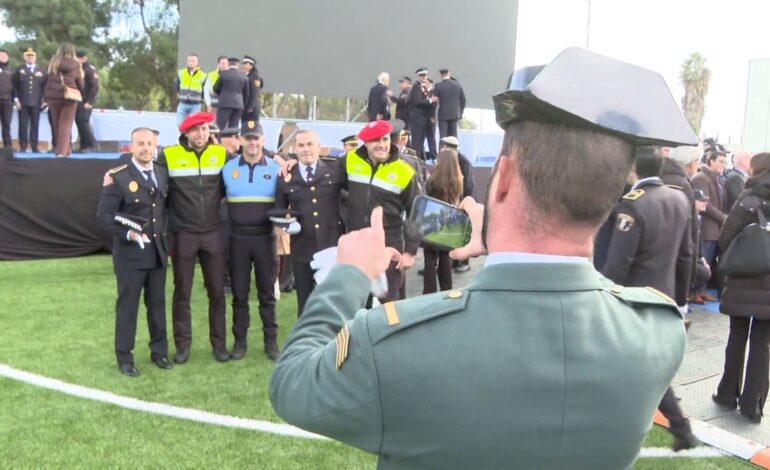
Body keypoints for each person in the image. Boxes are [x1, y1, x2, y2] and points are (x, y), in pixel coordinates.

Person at [270, 47, 695, 469]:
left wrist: (348, 275)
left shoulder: (396, 344)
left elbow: (292, 384)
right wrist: (508, 238)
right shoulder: (658, 330)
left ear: (503, 178)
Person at [600, 146, 698, 451]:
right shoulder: (678, 197)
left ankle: (677, 427)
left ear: (633, 169)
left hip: (633, 298)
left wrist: (604, 294)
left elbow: (618, 263)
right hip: (664, 295)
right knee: (646, 366)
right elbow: (687, 254)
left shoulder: (632, 204)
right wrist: (680, 299)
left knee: (626, 364)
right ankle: (680, 427)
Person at [96, 127, 171, 377]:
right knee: (128, 307)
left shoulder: (162, 171)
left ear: (156, 146)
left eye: (150, 143)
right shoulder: (117, 177)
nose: (146, 148)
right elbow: (104, 217)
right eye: (140, 143)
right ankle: (124, 357)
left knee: (158, 305)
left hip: (158, 252)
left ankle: (159, 351)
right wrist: (129, 234)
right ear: (130, 147)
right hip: (130, 256)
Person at [159, 111, 229, 363]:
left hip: (213, 232)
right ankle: (182, 346)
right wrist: (115, 173)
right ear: (186, 132)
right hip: (183, 234)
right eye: (196, 129)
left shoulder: (221, 153)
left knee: (217, 292)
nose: (202, 134)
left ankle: (219, 345)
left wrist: (283, 160)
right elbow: (143, 170)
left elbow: (248, 163)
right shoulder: (169, 155)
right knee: (182, 293)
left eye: (205, 129)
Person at [714, 152, 770, 424]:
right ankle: (754, 404)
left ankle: (727, 394)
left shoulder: (746, 201)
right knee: (762, 343)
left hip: (742, 279)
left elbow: (725, 238)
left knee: (737, 335)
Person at [221, 123, 282, 360]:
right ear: (241, 141)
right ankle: (240, 343)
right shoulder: (228, 169)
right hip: (237, 239)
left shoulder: (277, 168)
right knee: (239, 294)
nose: (253, 143)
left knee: (267, 293)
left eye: (256, 138)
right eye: (248, 138)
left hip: (265, 238)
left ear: (263, 140)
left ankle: (271, 343)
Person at [343, 119, 422, 301]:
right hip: (358, 245)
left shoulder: (405, 171)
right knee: (356, 306)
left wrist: (410, 252)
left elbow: (417, 212)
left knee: (390, 308)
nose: (382, 145)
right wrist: (288, 163)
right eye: (376, 140)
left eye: (385, 140)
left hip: (390, 247)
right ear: (366, 143)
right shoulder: (350, 160)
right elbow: (324, 172)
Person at [274, 129, 345, 317]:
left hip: (331, 246)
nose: (306, 149)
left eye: (310, 144)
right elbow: (279, 210)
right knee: (304, 304)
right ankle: (305, 344)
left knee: (333, 303)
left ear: (319, 146)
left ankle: (336, 343)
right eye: (301, 145)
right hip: (303, 249)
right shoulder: (286, 175)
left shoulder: (335, 168)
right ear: (294, 148)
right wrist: (287, 222)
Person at [422, 148, 464, 294]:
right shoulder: (458, 179)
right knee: (445, 257)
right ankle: (447, 289)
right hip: (449, 223)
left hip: (432, 221)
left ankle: (429, 292)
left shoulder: (432, 179)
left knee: (430, 258)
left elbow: (426, 197)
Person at [691, 150, 727, 296]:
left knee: (709, 261)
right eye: (720, 161)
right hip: (705, 227)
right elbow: (706, 205)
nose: (723, 165)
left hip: (714, 229)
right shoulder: (701, 177)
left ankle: (702, 291)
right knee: (703, 260)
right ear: (710, 161)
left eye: (725, 162)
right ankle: (695, 293)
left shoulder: (717, 179)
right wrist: (724, 218)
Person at [439, 136, 475, 273]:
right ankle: (452, 261)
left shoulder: (464, 162)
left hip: (462, 202)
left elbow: (469, 185)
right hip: (450, 202)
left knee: (461, 234)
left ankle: (463, 261)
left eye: (445, 146)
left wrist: (466, 205)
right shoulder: (445, 159)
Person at [43, 42, 84, 157]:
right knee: (65, 124)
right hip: (69, 96)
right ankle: (62, 152)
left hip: (52, 96)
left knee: (56, 123)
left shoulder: (52, 63)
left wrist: (45, 96)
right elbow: (81, 83)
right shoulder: (76, 64)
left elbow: (44, 80)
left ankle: (65, 149)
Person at [12, 47, 46, 153]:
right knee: (23, 125)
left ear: (36, 57)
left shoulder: (41, 70)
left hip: (36, 102)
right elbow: (15, 86)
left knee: (35, 125)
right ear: (24, 57)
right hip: (23, 102)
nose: (30, 57)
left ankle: (34, 146)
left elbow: (44, 87)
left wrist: (44, 100)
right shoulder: (19, 69)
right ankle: (23, 146)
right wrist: (16, 99)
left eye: (32, 56)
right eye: (28, 55)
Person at [407, 67, 437, 161]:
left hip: (423, 118)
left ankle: (419, 159)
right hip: (417, 118)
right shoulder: (416, 86)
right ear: (418, 76)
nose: (424, 77)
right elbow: (417, 102)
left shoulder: (424, 87)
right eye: (422, 75)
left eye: (425, 75)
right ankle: (414, 160)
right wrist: (430, 100)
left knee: (421, 141)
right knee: (417, 142)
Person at [213, 57, 249, 130]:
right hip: (238, 105)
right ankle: (232, 141)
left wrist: (222, 93)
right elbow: (246, 94)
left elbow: (215, 88)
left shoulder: (223, 74)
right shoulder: (244, 76)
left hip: (224, 104)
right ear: (238, 65)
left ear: (228, 64)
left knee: (220, 126)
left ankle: (219, 141)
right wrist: (242, 104)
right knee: (234, 127)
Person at [74, 50, 99, 152]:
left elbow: (94, 87)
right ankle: (84, 145)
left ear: (84, 58)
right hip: (78, 100)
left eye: (78, 58)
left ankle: (91, 145)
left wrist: (90, 101)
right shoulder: (78, 69)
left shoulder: (89, 70)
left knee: (83, 121)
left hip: (86, 100)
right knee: (79, 122)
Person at [175, 53, 207, 126]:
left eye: (193, 61)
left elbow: (204, 89)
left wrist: (201, 99)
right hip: (183, 103)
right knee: (180, 124)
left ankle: (191, 137)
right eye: (189, 60)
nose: (191, 62)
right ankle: (183, 137)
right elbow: (177, 85)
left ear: (197, 62)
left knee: (194, 124)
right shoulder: (181, 73)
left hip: (195, 105)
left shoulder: (203, 75)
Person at [433, 68, 466, 139]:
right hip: (455, 114)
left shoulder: (438, 85)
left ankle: (442, 149)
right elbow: (463, 100)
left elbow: (435, 100)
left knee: (443, 136)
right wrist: (460, 112)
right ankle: (453, 150)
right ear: (449, 74)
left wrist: (433, 114)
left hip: (443, 114)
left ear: (441, 75)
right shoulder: (458, 85)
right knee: (454, 136)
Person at [241, 55, 262, 124]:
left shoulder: (255, 76)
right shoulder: (245, 75)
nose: (243, 66)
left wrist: (251, 107)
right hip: (245, 107)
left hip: (252, 108)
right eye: (243, 63)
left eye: (245, 64)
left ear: (251, 66)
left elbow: (255, 92)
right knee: (244, 128)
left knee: (251, 129)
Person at [0, 49, 13, 148]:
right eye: (1, 55)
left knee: (7, 125)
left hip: (7, 101)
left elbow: (15, 87)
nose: (3, 57)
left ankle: (7, 146)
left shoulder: (11, 71)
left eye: (5, 55)